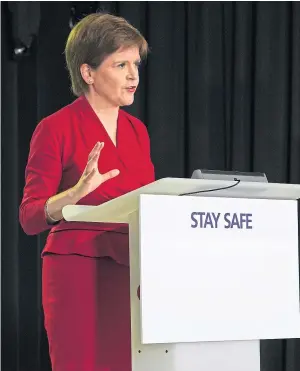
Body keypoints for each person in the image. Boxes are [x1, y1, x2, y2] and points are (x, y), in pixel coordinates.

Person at [19, 12, 155, 371]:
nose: (133, 76)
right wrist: (74, 194)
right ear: (88, 73)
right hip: (77, 270)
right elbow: (30, 217)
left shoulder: (138, 131)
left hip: (130, 272)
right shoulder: (54, 129)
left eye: (136, 64)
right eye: (120, 64)